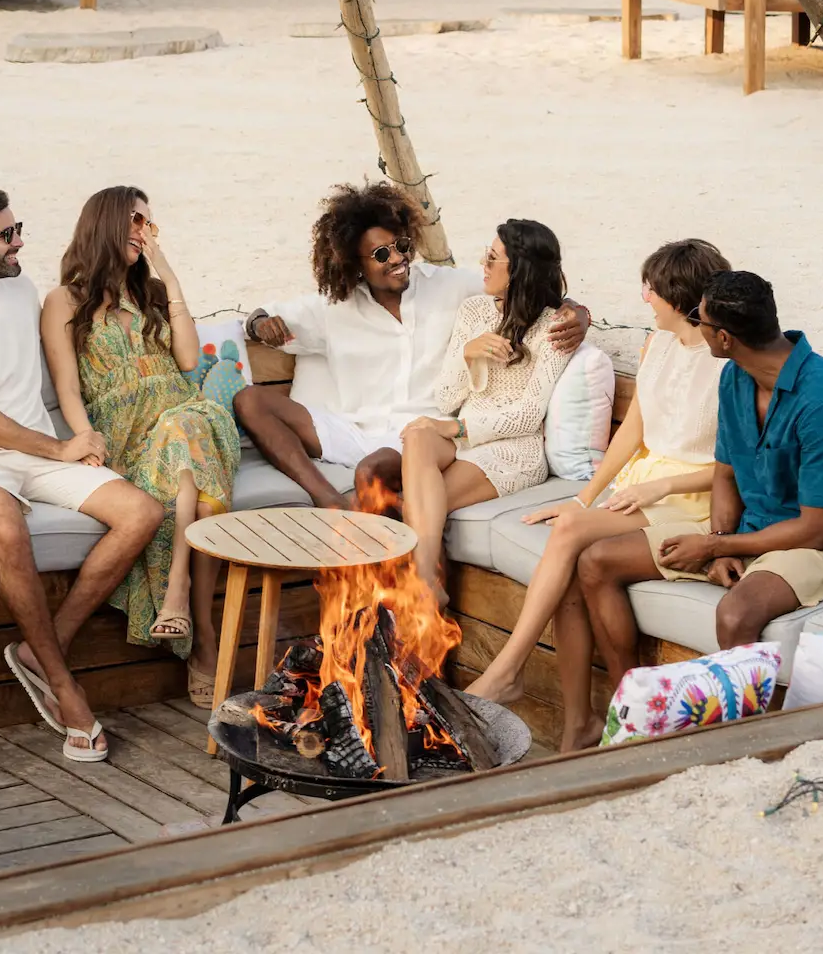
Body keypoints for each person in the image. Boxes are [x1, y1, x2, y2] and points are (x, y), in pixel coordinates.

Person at [0, 187, 164, 764]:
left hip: (38, 448)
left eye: (18, 227)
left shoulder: (21, 289)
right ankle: (66, 688)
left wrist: (143, 249)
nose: (20, 241)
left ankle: (43, 651)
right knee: (5, 527)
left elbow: (80, 327)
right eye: (7, 234)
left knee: (142, 512)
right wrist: (60, 446)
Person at [467, 237, 730, 750]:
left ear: (678, 297)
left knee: (567, 535)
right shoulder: (656, 346)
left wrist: (653, 487)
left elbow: (732, 466)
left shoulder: (727, 361)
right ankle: (576, 729)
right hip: (642, 488)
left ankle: (508, 668)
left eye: (651, 289)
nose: (644, 299)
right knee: (569, 558)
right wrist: (585, 498)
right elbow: (631, 432)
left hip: (693, 496)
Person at [576, 269, 823, 693]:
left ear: (723, 339)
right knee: (597, 562)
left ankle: (733, 748)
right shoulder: (736, 377)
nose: (694, 325)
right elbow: (726, 472)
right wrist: (721, 538)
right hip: (748, 529)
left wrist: (718, 545)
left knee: (735, 614)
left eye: (700, 320)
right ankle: (637, 710)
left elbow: (816, 528)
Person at [235, 181, 590, 509]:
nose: (396, 259)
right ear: (352, 264)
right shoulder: (333, 307)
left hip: (419, 435)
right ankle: (328, 499)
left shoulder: (451, 286)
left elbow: (530, 288)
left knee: (374, 470)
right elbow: (259, 318)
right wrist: (261, 325)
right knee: (250, 400)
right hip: (350, 430)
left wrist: (579, 314)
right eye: (379, 255)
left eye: (401, 246)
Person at [40, 187, 240, 705]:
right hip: (128, 435)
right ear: (106, 222)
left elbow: (191, 361)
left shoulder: (151, 292)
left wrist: (168, 277)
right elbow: (66, 387)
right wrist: (85, 439)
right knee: (192, 473)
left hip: (187, 415)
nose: (145, 231)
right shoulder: (65, 300)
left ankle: (177, 595)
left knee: (184, 428)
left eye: (150, 223)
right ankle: (204, 638)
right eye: (136, 220)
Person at [401, 220, 575, 600]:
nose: (483, 263)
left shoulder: (556, 327)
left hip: (515, 449)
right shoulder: (474, 311)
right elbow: (446, 398)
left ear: (520, 271)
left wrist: (458, 430)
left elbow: (529, 415)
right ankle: (426, 581)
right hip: (468, 434)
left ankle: (421, 582)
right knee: (417, 435)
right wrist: (468, 355)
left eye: (493, 258)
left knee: (418, 508)